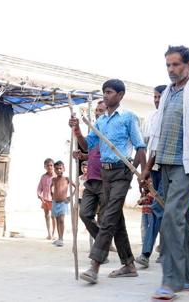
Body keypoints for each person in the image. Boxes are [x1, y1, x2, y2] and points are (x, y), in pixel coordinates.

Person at [140, 45, 189, 300]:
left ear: (187, 65)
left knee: (170, 218)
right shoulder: (167, 95)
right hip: (163, 162)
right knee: (180, 219)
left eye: (176, 65)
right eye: (168, 65)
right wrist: (148, 166)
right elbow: (159, 133)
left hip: (188, 164)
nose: (172, 70)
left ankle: (171, 281)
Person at [70, 79, 147, 284]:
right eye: (104, 92)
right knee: (116, 219)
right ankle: (129, 264)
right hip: (104, 174)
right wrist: (77, 131)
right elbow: (88, 146)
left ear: (120, 95)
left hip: (122, 172)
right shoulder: (101, 122)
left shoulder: (129, 117)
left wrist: (135, 173)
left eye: (110, 92)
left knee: (108, 216)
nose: (105, 95)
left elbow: (140, 147)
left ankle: (95, 265)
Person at [136, 85, 167, 268]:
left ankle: (149, 252)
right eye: (154, 97)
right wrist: (145, 172)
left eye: (160, 97)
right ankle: (152, 251)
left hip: (170, 169)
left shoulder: (173, 117)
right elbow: (146, 147)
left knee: (159, 209)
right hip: (154, 169)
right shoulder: (151, 118)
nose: (156, 100)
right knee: (156, 209)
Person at [76, 100, 106, 243]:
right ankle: (103, 242)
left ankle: (101, 248)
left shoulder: (109, 132)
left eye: (101, 111)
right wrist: (83, 156)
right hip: (91, 179)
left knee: (106, 216)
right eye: (97, 111)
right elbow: (90, 149)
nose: (98, 113)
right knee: (84, 214)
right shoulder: (94, 132)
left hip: (106, 179)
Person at [50, 161, 73, 247]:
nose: (59, 170)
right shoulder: (54, 179)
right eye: (56, 169)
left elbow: (76, 186)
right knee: (57, 220)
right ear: (54, 170)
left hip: (63, 202)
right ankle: (59, 238)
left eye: (60, 168)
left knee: (62, 220)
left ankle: (61, 239)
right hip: (55, 202)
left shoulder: (67, 179)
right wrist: (52, 195)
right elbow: (51, 188)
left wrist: (70, 197)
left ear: (64, 169)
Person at [37, 158, 56, 240]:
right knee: (46, 216)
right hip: (45, 199)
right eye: (48, 165)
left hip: (54, 199)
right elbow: (39, 188)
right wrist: (39, 195)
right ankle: (49, 234)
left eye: (51, 165)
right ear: (45, 167)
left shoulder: (56, 176)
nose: (50, 167)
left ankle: (54, 233)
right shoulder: (43, 177)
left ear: (54, 166)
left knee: (53, 216)